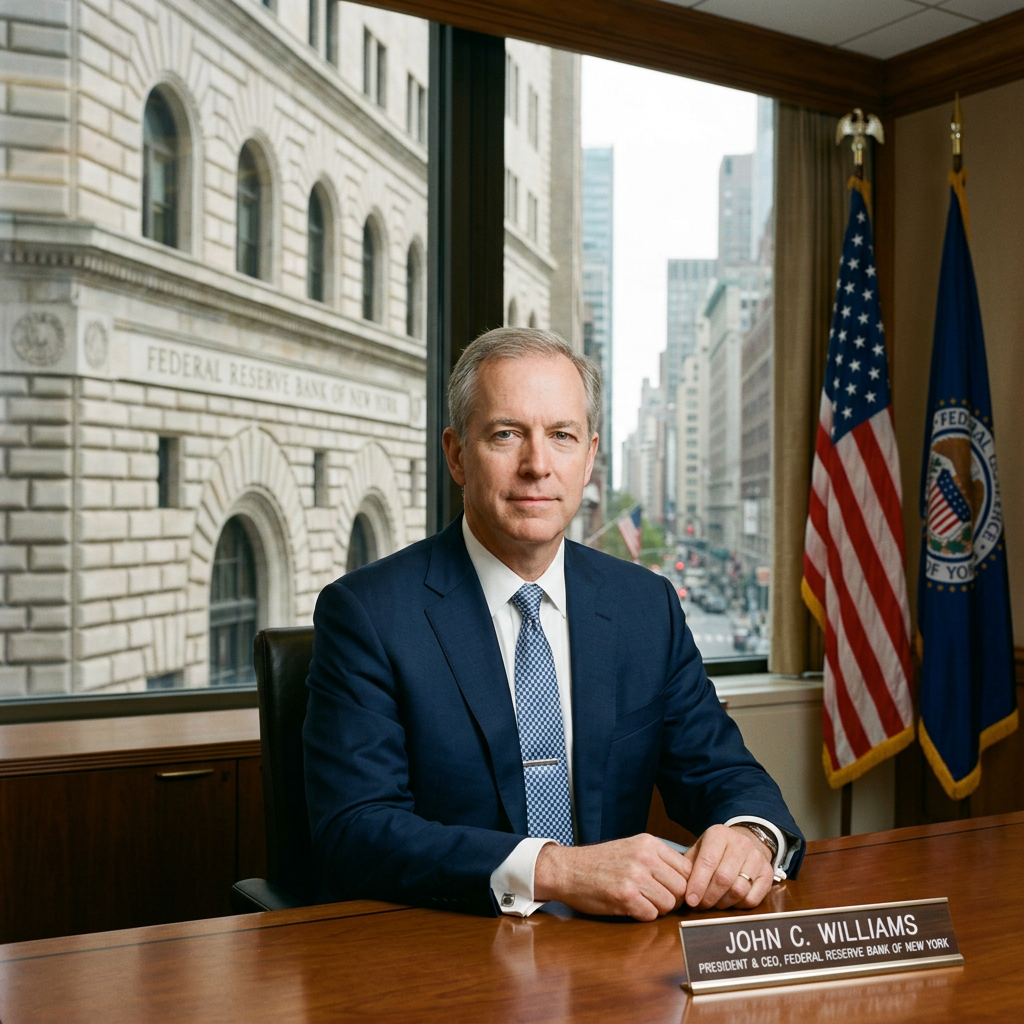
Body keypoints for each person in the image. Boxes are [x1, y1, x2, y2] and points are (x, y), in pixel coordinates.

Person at [304, 327, 803, 920]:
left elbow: (724, 771)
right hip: (447, 954)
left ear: (589, 458)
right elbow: (355, 831)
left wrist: (752, 835)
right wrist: (555, 870)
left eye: (561, 436)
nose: (537, 465)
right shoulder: (368, 614)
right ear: (457, 455)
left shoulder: (647, 606)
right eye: (506, 434)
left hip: (615, 955)